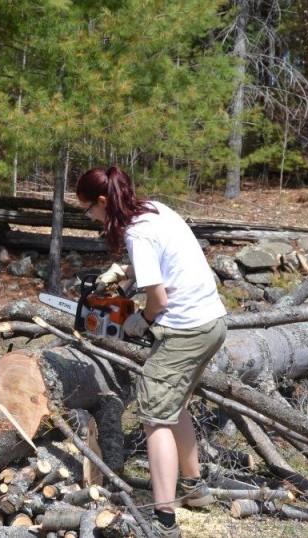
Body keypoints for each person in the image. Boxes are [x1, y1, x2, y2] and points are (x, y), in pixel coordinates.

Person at [76, 166, 227, 538]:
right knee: (174, 408)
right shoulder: (154, 210)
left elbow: (157, 298)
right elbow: (161, 264)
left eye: (88, 210)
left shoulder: (138, 234)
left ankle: (164, 520)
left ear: (102, 201)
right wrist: (124, 274)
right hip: (213, 322)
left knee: (153, 416)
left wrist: (141, 320)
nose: (91, 218)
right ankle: (194, 489)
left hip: (185, 329)